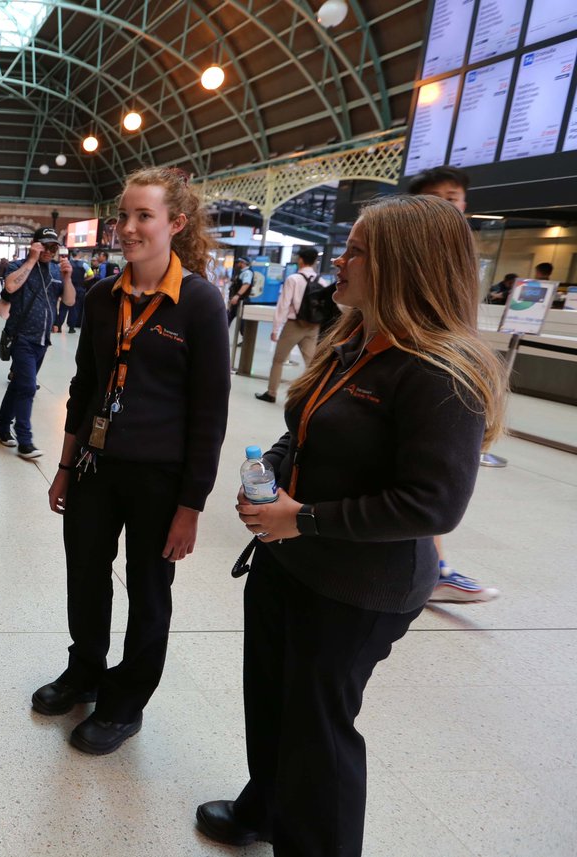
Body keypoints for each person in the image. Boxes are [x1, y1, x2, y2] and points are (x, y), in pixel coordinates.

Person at [195, 194, 506, 857]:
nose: (340, 259)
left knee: (319, 731)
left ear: (403, 265)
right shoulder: (355, 339)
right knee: (272, 700)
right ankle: (265, 804)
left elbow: (433, 504)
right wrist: (270, 472)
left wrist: (303, 517)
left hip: (356, 587)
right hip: (290, 561)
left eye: (356, 250)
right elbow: (303, 428)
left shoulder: (439, 371)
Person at [37, 166, 230, 755]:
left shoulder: (199, 303)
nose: (128, 227)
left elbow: (210, 415)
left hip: (160, 480)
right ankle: (85, 670)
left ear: (177, 223)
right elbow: (85, 386)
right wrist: (65, 467)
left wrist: (191, 506)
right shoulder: (102, 297)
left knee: (149, 591)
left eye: (144, 216)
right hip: (95, 468)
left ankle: (126, 703)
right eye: (123, 215)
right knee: (84, 574)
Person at [407, 165, 501, 602]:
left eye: (455, 197)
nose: (449, 205)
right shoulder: (409, 253)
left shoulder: (459, 251)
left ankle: (436, 567)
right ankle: (434, 567)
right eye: (438, 197)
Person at [0, 227, 76, 459]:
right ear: (35, 245)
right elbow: (10, 286)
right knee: (28, 388)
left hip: (42, 340)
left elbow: (69, 301)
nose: (49, 251)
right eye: (44, 246)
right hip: (21, 337)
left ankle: (2, 428)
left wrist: (67, 277)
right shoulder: (19, 265)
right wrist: (31, 259)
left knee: (18, 385)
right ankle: (25, 441)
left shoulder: (56, 271)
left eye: (53, 247)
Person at [255, 247, 321, 403]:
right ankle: (315, 397)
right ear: (314, 261)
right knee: (312, 364)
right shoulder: (321, 281)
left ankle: (271, 393)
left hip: (294, 325)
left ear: (300, 260)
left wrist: (275, 329)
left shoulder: (294, 279)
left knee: (279, 360)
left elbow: (283, 305)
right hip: (313, 326)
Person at [226, 256, 256, 324]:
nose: (237, 264)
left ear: (243, 263)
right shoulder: (242, 272)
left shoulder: (247, 272)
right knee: (228, 317)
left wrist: (237, 295)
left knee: (241, 322)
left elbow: (246, 284)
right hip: (238, 300)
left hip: (242, 300)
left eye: (238, 262)